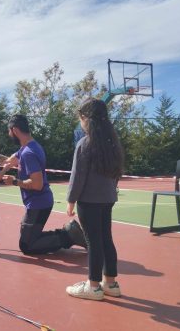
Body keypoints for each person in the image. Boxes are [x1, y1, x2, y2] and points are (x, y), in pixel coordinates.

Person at [65, 98, 124, 301]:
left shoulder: (84, 143)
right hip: (108, 198)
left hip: (88, 200)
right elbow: (116, 173)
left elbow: (77, 176)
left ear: (86, 119)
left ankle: (93, 286)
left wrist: (71, 200)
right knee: (106, 238)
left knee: (93, 241)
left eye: (81, 118)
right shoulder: (112, 144)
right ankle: (111, 284)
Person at [1, 114, 86, 254]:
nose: (9, 134)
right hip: (37, 203)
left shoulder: (28, 153)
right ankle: (67, 234)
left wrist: (14, 181)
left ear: (15, 130)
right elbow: (8, 162)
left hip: (39, 203)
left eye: (9, 131)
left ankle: (69, 235)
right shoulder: (28, 147)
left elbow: (37, 185)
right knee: (26, 235)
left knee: (27, 246)